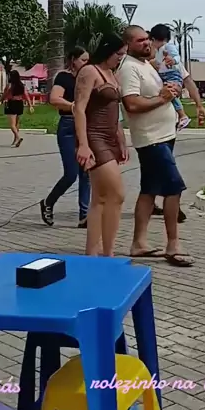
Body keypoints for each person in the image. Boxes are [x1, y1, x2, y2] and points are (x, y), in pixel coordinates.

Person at [119, 26, 205, 267]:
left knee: (149, 190)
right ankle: (173, 244)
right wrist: (163, 98)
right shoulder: (128, 68)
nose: (146, 43)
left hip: (165, 135)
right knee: (173, 187)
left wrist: (171, 91)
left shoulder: (147, 65)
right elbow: (132, 104)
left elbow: (168, 87)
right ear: (128, 44)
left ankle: (139, 243)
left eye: (147, 39)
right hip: (151, 139)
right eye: (140, 41)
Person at [74, 34, 128, 257]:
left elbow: (116, 113)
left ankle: (102, 251)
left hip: (110, 137)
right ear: (108, 51)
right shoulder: (90, 71)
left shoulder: (112, 74)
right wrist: (83, 145)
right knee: (117, 193)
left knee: (102, 198)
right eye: (118, 54)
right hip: (94, 137)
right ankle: (100, 252)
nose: (120, 58)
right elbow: (79, 108)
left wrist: (121, 140)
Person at [40, 46, 91, 229]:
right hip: (69, 125)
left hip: (86, 126)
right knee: (71, 174)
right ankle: (48, 202)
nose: (86, 63)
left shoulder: (89, 77)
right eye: (83, 60)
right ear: (73, 60)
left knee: (86, 172)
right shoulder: (64, 77)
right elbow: (55, 99)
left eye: (88, 60)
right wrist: (73, 106)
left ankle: (84, 215)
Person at [149, 24, 191, 129]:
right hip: (165, 74)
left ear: (153, 39)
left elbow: (177, 56)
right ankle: (179, 116)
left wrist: (173, 60)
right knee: (168, 93)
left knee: (171, 93)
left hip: (172, 74)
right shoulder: (159, 50)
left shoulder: (168, 47)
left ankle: (182, 115)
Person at [0, 70, 34, 147]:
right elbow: (26, 95)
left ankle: (18, 138)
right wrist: (30, 105)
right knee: (16, 123)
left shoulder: (9, 85)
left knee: (12, 125)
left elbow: (4, 95)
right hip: (20, 104)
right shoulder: (22, 85)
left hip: (12, 103)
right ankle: (15, 140)